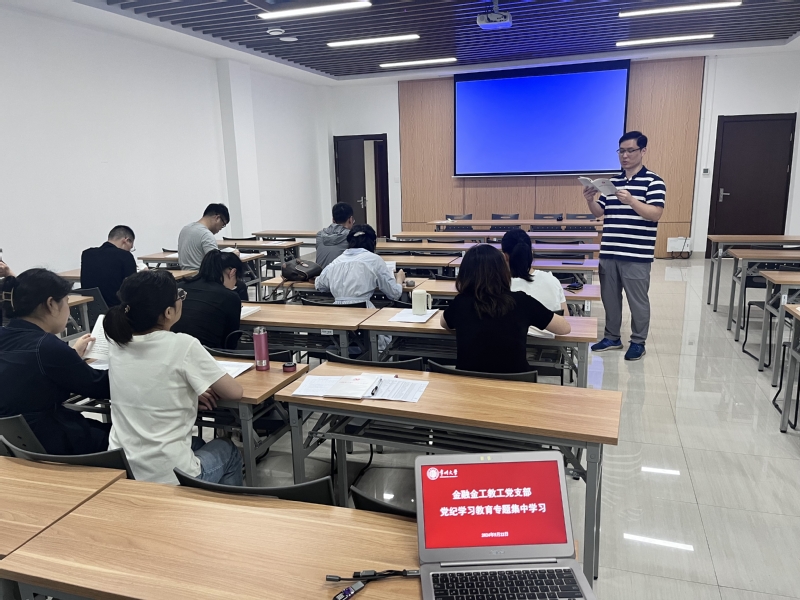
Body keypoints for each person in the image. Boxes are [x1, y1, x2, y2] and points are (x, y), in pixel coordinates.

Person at [104, 269, 244, 485]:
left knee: (197, 443)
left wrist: (186, 391)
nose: (181, 300)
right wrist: (193, 389)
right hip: (168, 476)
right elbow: (235, 392)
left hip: (123, 466)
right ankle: (218, 506)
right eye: (179, 296)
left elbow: (150, 383)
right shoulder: (183, 345)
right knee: (228, 450)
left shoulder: (116, 344)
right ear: (168, 312)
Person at [0, 269, 110, 454]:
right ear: (51, 304)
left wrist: (71, 355)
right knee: (123, 437)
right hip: (49, 442)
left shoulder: (7, 335)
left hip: (13, 442)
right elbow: (100, 386)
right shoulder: (47, 347)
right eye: (66, 301)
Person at [582, 131, 666, 361]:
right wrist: (590, 200)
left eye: (630, 151)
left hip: (636, 253)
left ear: (643, 151)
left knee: (638, 301)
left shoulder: (654, 181)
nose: (625, 156)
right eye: (621, 151)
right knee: (610, 298)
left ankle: (638, 341)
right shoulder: (612, 183)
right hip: (609, 251)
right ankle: (612, 337)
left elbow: (655, 214)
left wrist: (631, 201)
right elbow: (599, 212)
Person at [441, 245, 571, 374]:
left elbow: (444, 323)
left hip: (468, 383)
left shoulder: (460, 302)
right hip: (516, 382)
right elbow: (564, 328)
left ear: (465, 274)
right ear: (503, 271)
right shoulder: (521, 301)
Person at [315, 224, 404, 307]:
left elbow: (319, 285)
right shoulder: (375, 260)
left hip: (337, 313)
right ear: (373, 242)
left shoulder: (336, 261)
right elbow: (394, 294)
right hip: (363, 311)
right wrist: (399, 278)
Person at [172, 250, 243, 350]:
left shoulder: (178, 287)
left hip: (173, 348)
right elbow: (230, 340)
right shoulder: (230, 297)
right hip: (207, 353)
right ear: (232, 272)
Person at [500, 229, 569, 314]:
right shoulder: (552, 281)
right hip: (549, 323)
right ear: (531, 253)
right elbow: (566, 317)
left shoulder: (498, 287)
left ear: (504, 257)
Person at [80, 225, 138, 307]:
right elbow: (133, 288)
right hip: (116, 310)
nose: (129, 250)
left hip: (90, 309)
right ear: (126, 240)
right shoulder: (125, 256)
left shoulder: (87, 254)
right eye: (130, 247)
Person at [177, 203, 232, 270]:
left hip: (184, 275)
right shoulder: (206, 235)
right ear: (217, 218)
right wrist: (232, 256)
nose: (221, 228)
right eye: (223, 224)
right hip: (201, 275)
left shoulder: (185, 229)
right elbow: (216, 262)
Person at [315, 202, 355, 269]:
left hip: (320, 274)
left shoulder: (320, 235)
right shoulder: (351, 237)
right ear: (350, 219)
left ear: (333, 220)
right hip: (340, 274)